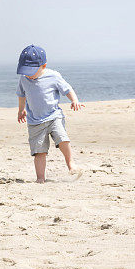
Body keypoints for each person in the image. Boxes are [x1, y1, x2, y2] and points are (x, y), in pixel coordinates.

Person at [16, 45, 84, 183]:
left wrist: (74, 100)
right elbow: (21, 94)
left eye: (32, 71)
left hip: (54, 116)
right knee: (39, 151)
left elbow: (67, 89)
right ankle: (40, 178)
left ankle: (71, 164)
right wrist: (21, 109)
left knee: (62, 138)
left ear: (43, 66)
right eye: (26, 70)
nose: (29, 74)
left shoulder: (53, 76)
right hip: (35, 121)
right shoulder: (24, 79)